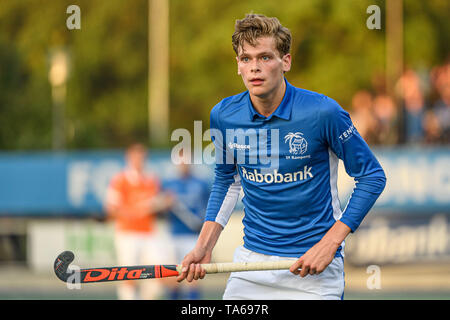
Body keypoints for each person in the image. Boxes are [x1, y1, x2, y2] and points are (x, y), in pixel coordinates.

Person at [176, 14, 386, 300]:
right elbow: (227, 180)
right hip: (251, 266)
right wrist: (204, 245)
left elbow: (372, 176)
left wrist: (330, 243)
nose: (255, 68)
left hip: (314, 271)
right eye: (245, 59)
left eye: (265, 57)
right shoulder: (223, 115)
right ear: (237, 66)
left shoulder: (323, 112)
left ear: (285, 62)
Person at [104, 143, 173, 300]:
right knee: (129, 275)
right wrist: (133, 211)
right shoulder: (120, 180)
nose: (139, 160)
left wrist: (163, 203)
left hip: (149, 233)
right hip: (127, 233)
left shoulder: (151, 179)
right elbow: (111, 208)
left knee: (157, 274)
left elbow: (158, 206)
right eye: (135, 157)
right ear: (128, 158)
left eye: (141, 157)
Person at [163, 157, 210, 299]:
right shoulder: (169, 185)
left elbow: (209, 208)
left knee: (192, 278)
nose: (183, 164)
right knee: (173, 278)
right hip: (174, 235)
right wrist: (165, 203)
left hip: (193, 237)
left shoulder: (201, 184)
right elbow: (160, 210)